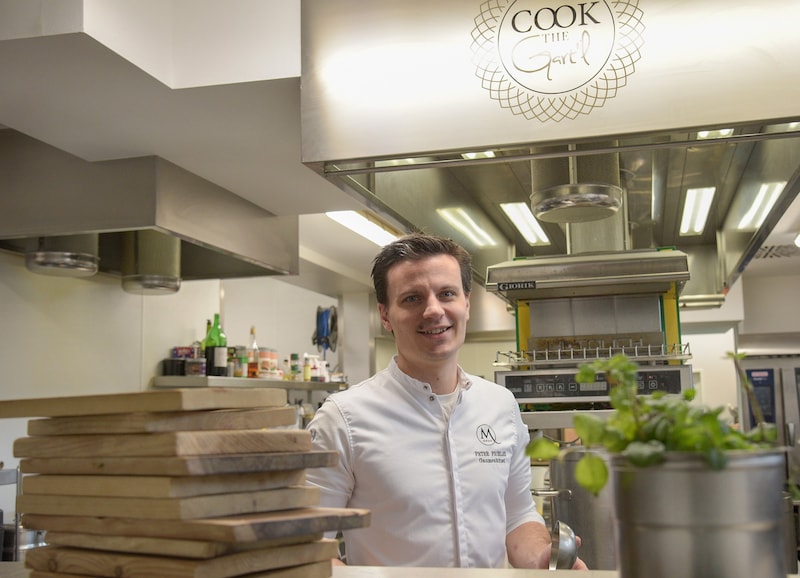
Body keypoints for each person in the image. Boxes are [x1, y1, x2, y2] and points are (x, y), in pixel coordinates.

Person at [306, 233, 587, 569]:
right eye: (412, 298)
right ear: (385, 315)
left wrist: (543, 557)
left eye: (447, 294)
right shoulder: (342, 419)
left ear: (466, 303)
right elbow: (310, 547)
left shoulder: (501, 405)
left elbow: (518, 516)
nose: (433, 310)